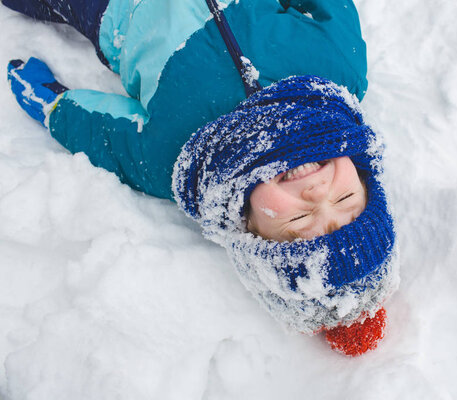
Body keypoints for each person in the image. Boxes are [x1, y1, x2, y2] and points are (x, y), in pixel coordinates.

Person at [4, 0, 398, 356]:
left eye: (299, 220)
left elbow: (103, 135)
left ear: (249, 228)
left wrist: (57, 107)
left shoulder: (178, 159)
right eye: (347, 200)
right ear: (363, 176)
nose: (318, 194)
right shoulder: (337, 68)